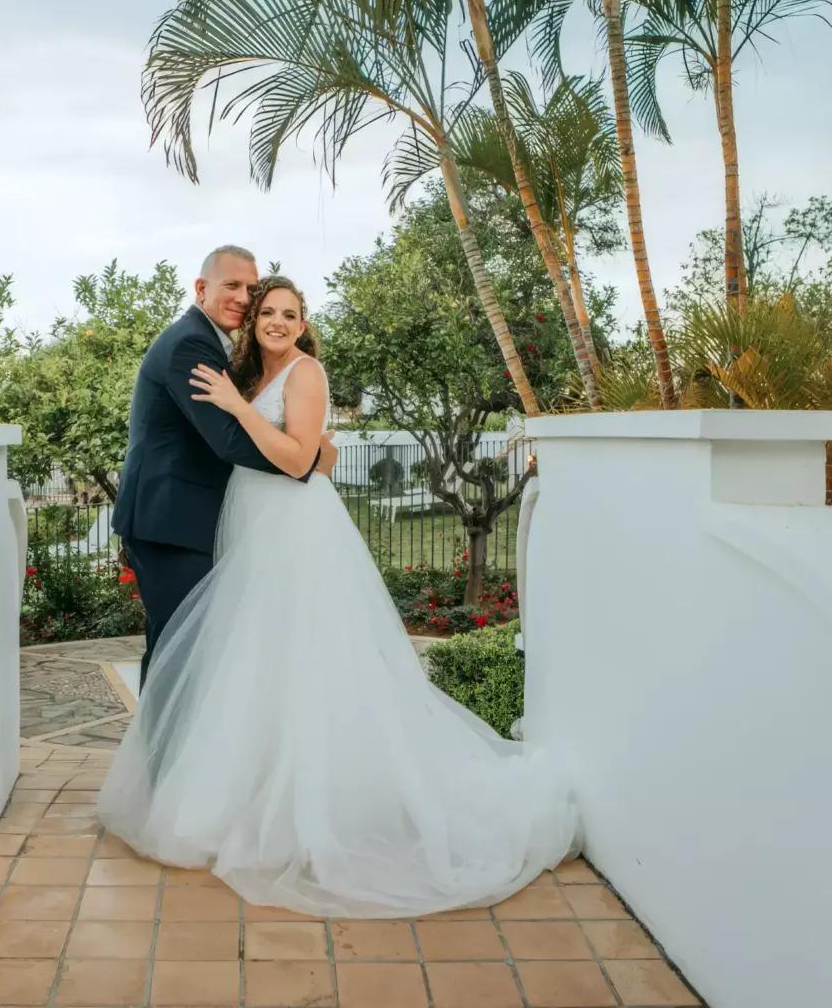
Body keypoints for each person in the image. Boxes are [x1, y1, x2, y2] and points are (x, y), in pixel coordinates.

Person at [98, 275, 579, 919]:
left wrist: (243, 412)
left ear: (302, 325)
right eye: (265, 311)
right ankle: (253, 791)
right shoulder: (248, 375)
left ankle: (311, 806)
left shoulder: (304, 373)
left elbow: (298, 461)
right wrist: (267, 420)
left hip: (292, 533)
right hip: (252, 525)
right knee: (255, 664)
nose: (273, 320)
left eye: (287, 313)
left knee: (305, 661)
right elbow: (294, 453)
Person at [109, 245, 334, 690]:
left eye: (251, 288)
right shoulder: (192, 342)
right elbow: (229, 440)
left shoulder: (229, 350)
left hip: (188, 519)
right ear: (201, 288)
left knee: (181, 646)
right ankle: (168, 756)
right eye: (231, 286)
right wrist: (305, 459)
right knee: (181, 647)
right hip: (171, 522)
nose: (243, 298)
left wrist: (305, 449)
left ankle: (168, 755)